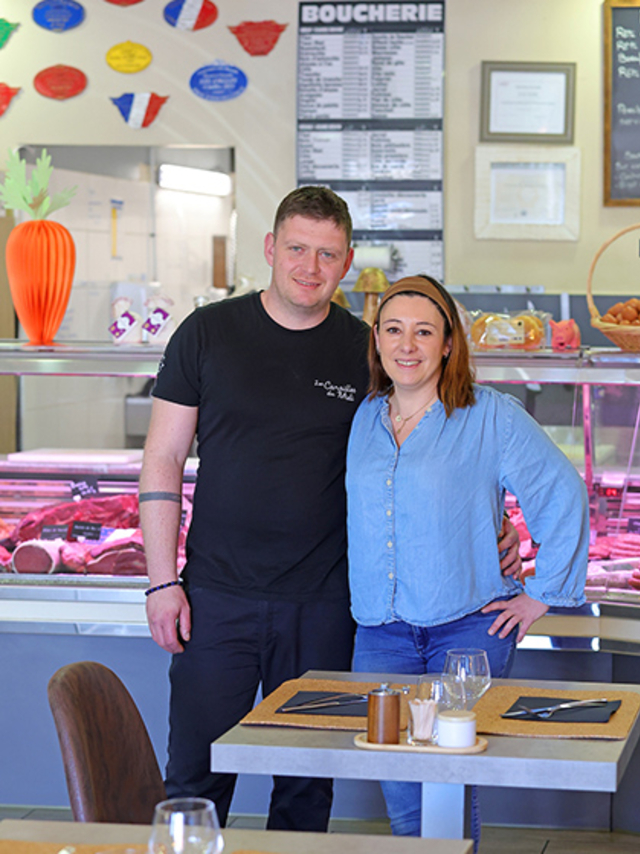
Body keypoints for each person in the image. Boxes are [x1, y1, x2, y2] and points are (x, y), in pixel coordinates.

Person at [139, 188, 521, 832]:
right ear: (270, 248)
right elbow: (162, 460)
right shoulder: (208, 332)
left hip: (325, 604)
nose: (309, 267)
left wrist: (491, 526)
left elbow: (427, 443)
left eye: (327, 254)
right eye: (296, 249)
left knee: (307, 784)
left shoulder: (366, 348)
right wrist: (160, 581)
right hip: (215, 598)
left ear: (347, 263)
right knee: (195, 776)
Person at [345, 275, 589, 843]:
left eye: (424, 332)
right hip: (380, 632)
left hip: (468, 635)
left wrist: (542, 593)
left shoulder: (489, 416)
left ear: (448, 343)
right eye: (394, 330)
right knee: (401, 791)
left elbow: (561, 491)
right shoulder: (364, 419)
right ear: (377, 341)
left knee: (449, 787)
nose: (408, 345)